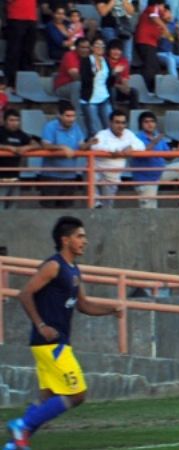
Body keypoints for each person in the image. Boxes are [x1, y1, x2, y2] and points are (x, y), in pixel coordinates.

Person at [4, 216, 121, 450]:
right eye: (80, 236)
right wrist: (41, 325)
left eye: (84, 236)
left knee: (47, 397)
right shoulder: (53, 266)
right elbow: (25, 293)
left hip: (57, 342)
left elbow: (83, 304)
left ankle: (15, 445)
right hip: (50, 343)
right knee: (77, 394)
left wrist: (111, 309)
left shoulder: (73, 270)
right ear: (65, 240)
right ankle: (22, 425)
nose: (84, 241)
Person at [131, 112, 179, 209]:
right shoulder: (137, 138)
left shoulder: (157, 137)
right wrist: (153, 143)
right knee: (149, 213)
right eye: (146, 122)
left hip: (160, 172)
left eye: (152, 121)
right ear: (141, 125)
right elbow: (142, 153)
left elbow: (168, 157)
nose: (150, 124)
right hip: (145, 179)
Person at [40, 102, 94, 209]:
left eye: (73, 116)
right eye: (67, 116)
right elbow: (45, 145)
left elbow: (81, 146)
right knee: (48, 210)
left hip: (70, 176)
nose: (71, 119)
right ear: (59, 115)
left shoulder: (76, 127)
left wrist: (89, 143)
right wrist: (62, 147)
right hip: (51, 176)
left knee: (66, 209)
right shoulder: (50, 126)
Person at [91, 110, 145, 208]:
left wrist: (131, 147)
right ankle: (96, 204)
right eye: (117, 122)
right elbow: (95, 146)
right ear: (110, 123)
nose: (120, 126)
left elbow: (141, 145)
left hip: (113, 176)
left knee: (107, 207)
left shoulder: (128, 134)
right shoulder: (102, 134)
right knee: (89, 175)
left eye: (123, 123)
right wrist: (114, 151)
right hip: (98, 171)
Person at [0, 109, 36, 209]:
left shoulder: (21, 134)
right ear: (4, 120)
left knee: (13, 208)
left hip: (15, 178)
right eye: (11, 120)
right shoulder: (1, 132)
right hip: (1, 178)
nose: (14, 123)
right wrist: (9, 148)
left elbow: (36, 144)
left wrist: (26, 147)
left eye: (17, 120)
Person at [80, 37, 114, 137]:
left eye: (102, 46)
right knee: (94, 128)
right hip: (90, 98)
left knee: (109, 126)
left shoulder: (106, 61)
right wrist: (95, 71)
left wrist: (114, 74)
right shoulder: (86, 61)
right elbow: (84, 80)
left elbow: (109, 81)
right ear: (92, 47)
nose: (100, 48)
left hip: (104, 97)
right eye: (97, 45)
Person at [134, 0, 170, 92]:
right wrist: (165, 28)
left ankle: (155, 90)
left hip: (151, 44)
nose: (163, 8)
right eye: (162, 5)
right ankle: (145, 90)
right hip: (145, 41)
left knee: (155, 68)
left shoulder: (159, 19)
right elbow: (154, 17)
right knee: (150, 68)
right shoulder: (153, 8)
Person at [54, 38, 91, 111]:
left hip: (84, 87)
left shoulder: (91, 57)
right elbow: (75, 76)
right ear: (76, 48)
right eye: (82, 47)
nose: (85, 50)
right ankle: (77, 114)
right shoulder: (70, 55)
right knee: (77, 84)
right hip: (63, 88)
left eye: (87, 48)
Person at [107, 39, 140, 110]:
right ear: (109, 50)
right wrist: (114, 72)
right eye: (114, 49)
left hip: (119, 88)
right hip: (107, 89)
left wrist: (126, 88)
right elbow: (106, 82)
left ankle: (133, 114)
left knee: (134, 91)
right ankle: (114, 112)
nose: (116, 52)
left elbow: (125, 79)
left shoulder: (124, 61)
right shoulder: (105, 60)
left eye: (119, 50)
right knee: (112, 89)